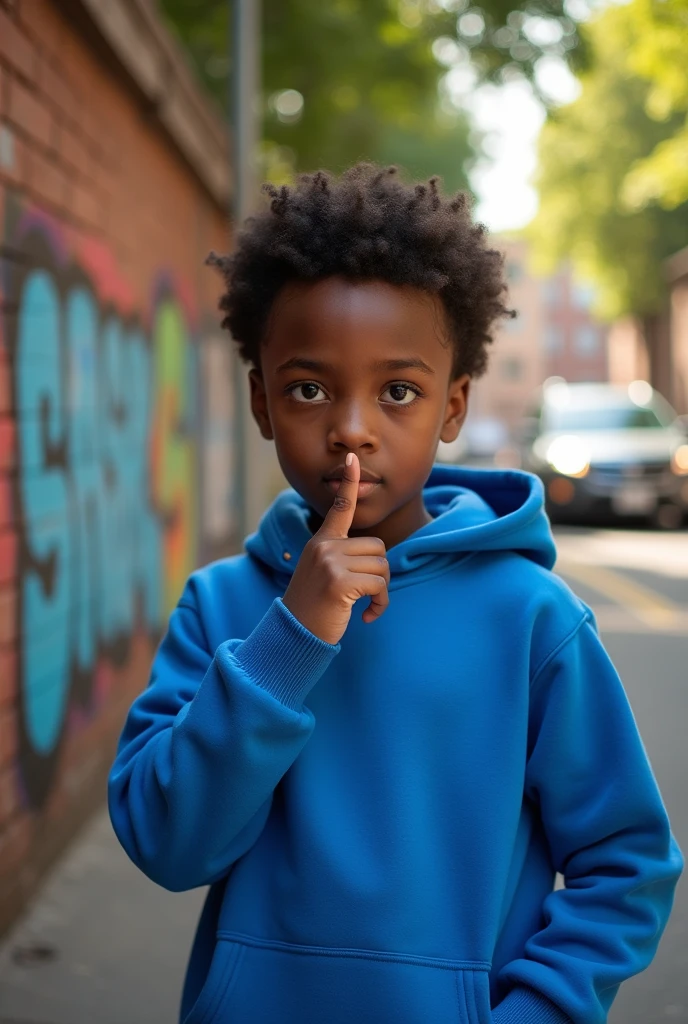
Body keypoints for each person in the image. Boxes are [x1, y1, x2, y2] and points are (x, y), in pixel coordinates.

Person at [108, 164, 682, 1024]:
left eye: (398, 392)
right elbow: (169, 844)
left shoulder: (531, 618)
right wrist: (289, 639)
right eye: (309, 389)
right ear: (262, 402)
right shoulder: (221, 606)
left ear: (452, 408)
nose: (350, 426)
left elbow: (625, 862)